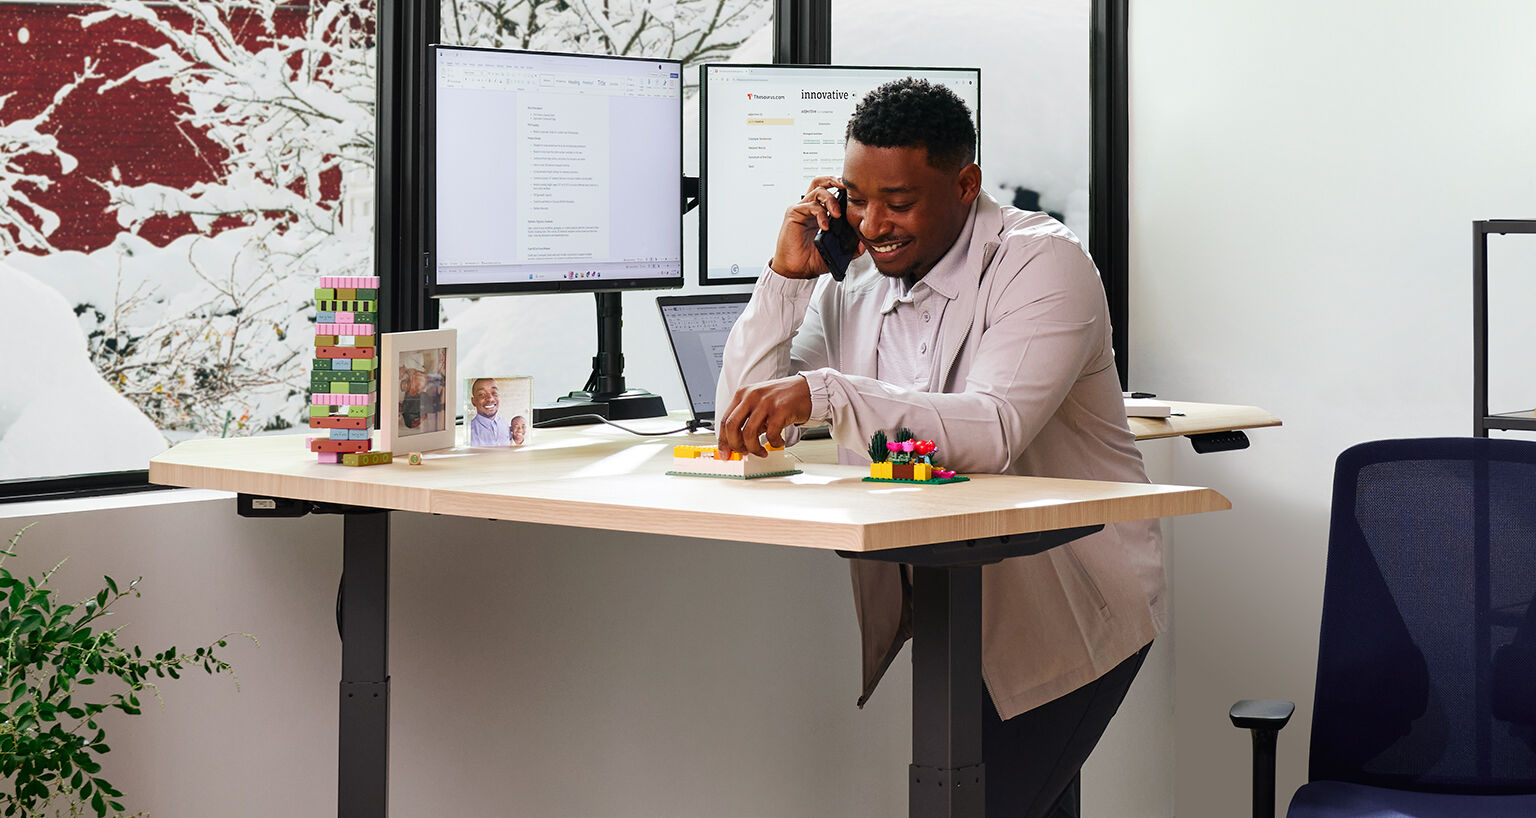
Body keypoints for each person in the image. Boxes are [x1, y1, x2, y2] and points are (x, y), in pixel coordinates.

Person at [715, 78, 1161, 818]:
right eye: (857, 199)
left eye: (898, 200)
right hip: (956, 597)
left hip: (1067, 602)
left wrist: (828, 394)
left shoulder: (1041, 262)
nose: (872, 224)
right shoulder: (854, 280)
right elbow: (749, 426)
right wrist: (786, 281)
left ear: (965, 184)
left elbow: (993, 429)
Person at [468, 378, 509, 446]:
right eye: (481, 394)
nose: (490, 398)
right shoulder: (469, 432)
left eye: (494, 393)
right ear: (473, 401)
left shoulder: (504, 424)